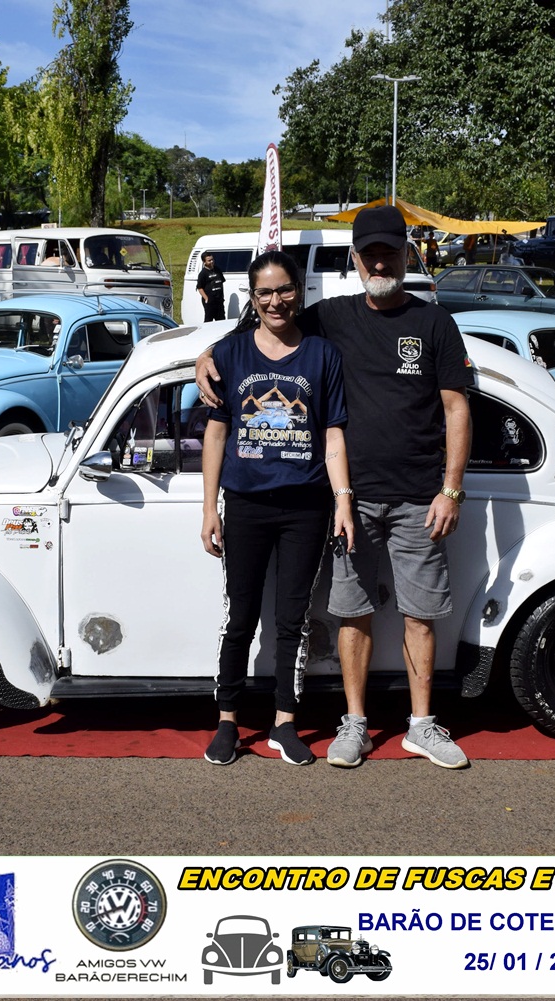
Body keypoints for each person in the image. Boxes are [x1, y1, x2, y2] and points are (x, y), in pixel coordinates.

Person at [197, 203, 474, 769]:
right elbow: (266, 324)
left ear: (406, 255)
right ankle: (354, 724)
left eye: (389, 253)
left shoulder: (435, 323)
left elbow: (456, 409)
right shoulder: (333, 316)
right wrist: (207, 353)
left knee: (419, 614)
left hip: (419, 497)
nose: (380, 263)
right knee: (351, 613)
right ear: (355, 259)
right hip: (350, 498)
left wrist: (451, 489)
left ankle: (422, 725)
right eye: (370, 255)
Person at [199, 250, 355, 766]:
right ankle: (227, 720)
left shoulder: (322, 354)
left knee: (293, 620)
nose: (275, 301)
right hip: (245, 505)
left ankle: (284, 723)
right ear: (252, 297)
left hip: (306, 508)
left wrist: (342, 500)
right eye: (264, 292)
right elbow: (216, 433)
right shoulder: (230, 353)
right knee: (240, 618)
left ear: (299, 290)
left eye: (284, 289)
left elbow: (333, 434)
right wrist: (209, 509)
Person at [196, 251, 226, 321]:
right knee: (209, 320)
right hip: (210, 302)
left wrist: (221, 296)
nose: (211, 261)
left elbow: (221, 282)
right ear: (204, 262)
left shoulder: (217, 270)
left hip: (219, 301)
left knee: (221, 320)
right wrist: (206, 299)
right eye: (209, 260)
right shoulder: (203, 274)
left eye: (212, 259)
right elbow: (200, 288)